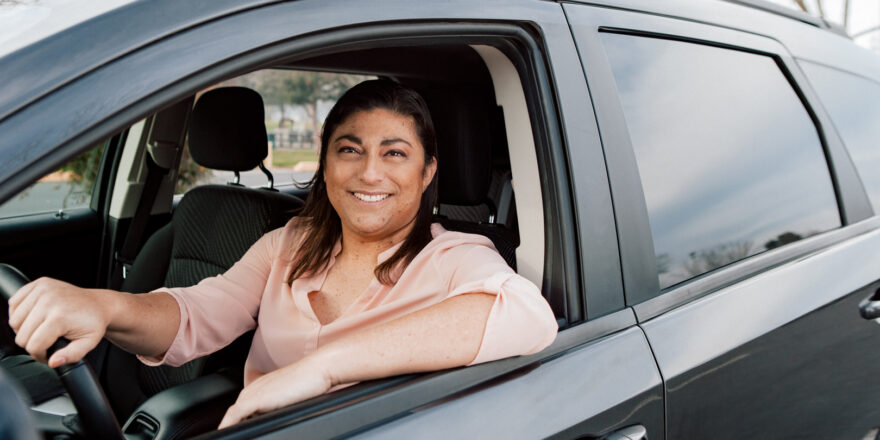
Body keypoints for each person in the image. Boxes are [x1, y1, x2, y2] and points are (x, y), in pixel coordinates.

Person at [7, 79, 558, 428]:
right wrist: (103, 307)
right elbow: (198, 314)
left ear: (427, 171)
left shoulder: (455, 256)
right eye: (350, 150)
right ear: (325, 161)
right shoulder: (288, 246)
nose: (370, 173)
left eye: (395, 153)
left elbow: (528, 316)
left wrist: (319, 370)